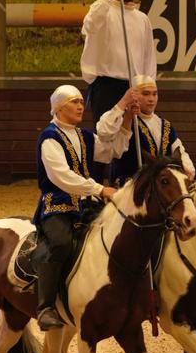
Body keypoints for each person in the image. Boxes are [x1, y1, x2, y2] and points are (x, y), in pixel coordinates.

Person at [33, 84, 130, 330]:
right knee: (61, 243)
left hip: (87, 205)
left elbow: (110, 152)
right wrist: (100, 189)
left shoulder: (85, 136)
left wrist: (127, 119)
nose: (80, 106)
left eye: (80, 102)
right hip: (58, 205)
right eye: (74, 102)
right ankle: (45, 306)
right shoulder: (49, 138)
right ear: (58, 107)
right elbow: (61, 176)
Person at [80, 0, 157, 126]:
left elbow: (148, 57)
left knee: (133, 141)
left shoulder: (142, 19)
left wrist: (147, 87)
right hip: (107, 86)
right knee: (107, 137)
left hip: (134, 87)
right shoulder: (103, 12)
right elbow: (89, 25)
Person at [97, 75, 195, 185]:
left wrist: (187, 167)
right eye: (146, 94)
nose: (151, 99)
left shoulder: (165, 125)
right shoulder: (123, 119)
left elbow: (179, 150)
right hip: (129, 188)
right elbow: (103, 131)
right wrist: (124, 102)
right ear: (133, 95)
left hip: (158, 191)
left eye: (155, 94)